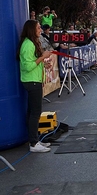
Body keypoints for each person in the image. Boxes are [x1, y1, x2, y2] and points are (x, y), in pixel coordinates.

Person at [16, 20, 53, 152]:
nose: (40, 30)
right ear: (32, 29)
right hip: (31, 81)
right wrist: (42, 58)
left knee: (32, 111)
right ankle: (33, 143)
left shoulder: (30, 43)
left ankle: (34, 140)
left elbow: (32, 63)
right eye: (38, 28)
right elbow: (27, 66)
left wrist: (43, 64)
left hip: (33, 80)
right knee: (35, 112)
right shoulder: (28, 44)